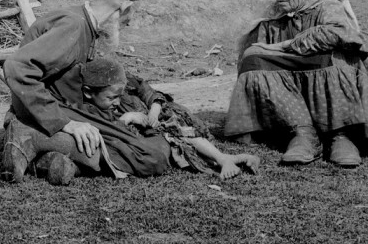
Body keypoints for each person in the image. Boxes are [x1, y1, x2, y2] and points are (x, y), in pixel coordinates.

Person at [223, 0, 368, 168]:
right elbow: (259, 51)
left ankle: (341, 135)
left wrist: (287, 46)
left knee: (337, 56)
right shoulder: (273, 14)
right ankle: (302, 133)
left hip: (327, 75)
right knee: (253, 59)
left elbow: (341, 33)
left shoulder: (327, 5)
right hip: (289, 85)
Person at [0, 0, 169, 186]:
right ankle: (29, 135)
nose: (129, 22)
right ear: (125, 6)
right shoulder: (74, 25)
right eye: (130, 14)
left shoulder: (83, 22)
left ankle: (48, 157)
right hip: (50, 113)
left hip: (60, 110)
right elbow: (17, 67)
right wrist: (66, 124)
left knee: (97, 143)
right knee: (149, 155)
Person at [88, 58, 259, 180]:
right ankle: (224, 159)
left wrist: (154, 109)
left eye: (119, 96)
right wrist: (128, 117)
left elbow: (149, 92)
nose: (117, 102)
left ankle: (224, 159)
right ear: (89, 93)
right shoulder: (90, 110)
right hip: (148, 134)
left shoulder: (126, 81)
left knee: (178, 128)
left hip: (160, 116)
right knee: (176, 139)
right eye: (111, 98)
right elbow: (110, 130)